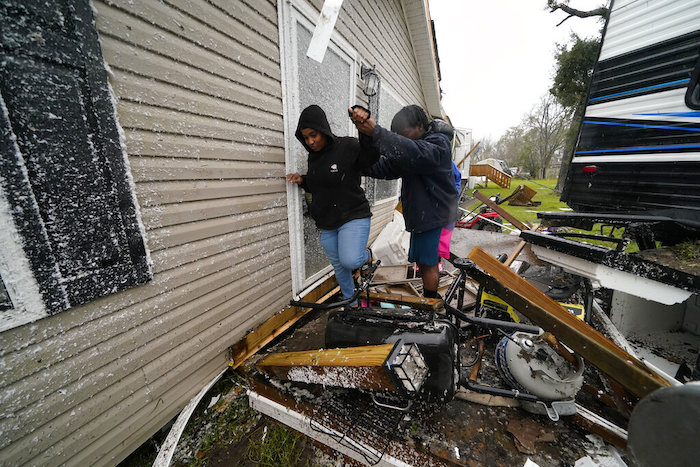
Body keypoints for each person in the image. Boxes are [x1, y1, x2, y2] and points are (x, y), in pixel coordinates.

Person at [349, 104, 457, 299]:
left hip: (436, 215)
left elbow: (414, 152)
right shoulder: (412, 150)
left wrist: (377, 132)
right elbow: (385, 167)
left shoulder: (437, 145)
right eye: (398, 135)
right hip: (423, 216)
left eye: (405, 133)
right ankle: (429, 299)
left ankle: (431, 303)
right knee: (423, 261)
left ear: (420, 127)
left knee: (429, 261)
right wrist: (359, 165)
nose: (402, 138)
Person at [286, 105, 379, 306]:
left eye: (314, 135)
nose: (310, 141)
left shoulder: (347, 146)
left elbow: (370, 157)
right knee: (339, 267)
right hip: (327, 222)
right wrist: (302, 180)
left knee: (351, 260)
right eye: (306, 138)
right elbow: (322, 183)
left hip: (353, 215)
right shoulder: (314, 157)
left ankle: (367, 255)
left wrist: (363, 127)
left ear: (323, 129)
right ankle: (350, 303)